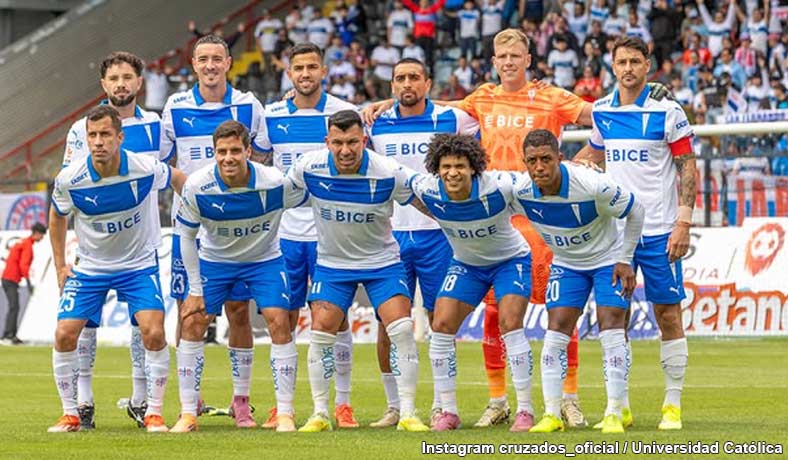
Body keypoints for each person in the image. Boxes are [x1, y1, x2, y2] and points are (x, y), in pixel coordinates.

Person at [575, 36, 695, 431]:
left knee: (667, 315)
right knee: (614, 316)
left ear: (648, 65)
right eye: (621, 61)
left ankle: (672, 405)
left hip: (661, 231)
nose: (627, 68)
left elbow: (687, 166)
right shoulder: (602, 110)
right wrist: (569, 167)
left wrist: (684, 221)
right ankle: (617, 406)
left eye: (634, 61)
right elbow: (593, 153)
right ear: (612, 66)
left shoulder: (667, 111)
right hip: (615, 235)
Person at [286, 110, 430, 433]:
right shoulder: (309, 168)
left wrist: (459, 220)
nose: (346, 150)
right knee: (321, 332)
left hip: (382, 262)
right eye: (338, 143)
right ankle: (321, 413)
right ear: (327, 142)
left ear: (364, 140)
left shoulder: (387, 171)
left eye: (353, 142)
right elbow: (278, 197)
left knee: (403, 329)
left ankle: (407, 412)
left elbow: (423, 202)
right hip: (333, 264)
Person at [47, 105, 186, 433]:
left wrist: (194, 216)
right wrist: (59, 265)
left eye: (105, 134)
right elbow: (57, 215)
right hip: (91, 268)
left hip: (137, 265)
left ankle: (153, 412)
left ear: (119, 137)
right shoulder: (70, 179)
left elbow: (179, 179)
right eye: (92, 135)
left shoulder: (143, 167)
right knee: (65, 334)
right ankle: (70, 414)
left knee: (153, 331)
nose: (98, 142)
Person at [170, 121, 307, 433]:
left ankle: (283, 412)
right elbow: (186, 237)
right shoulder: (197, 186)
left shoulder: (274, 182)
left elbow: (311, 199)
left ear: (249, 151)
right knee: (192, 321)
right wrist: (194, 289)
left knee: (278, 320)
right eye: (221, 151)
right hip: (216, 262)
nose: (228, 157)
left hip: (264, 260)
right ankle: (188, 413)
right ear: (213, 153)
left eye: (235, 150)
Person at [160, 35, 268, 425]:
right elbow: (162, 164)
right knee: (189, 311)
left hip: (237, 230)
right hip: (191, 227)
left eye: (216, 59)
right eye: (203, 59)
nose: (209, 65)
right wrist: (191, 191)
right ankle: (192, 400)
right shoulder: (175, 107)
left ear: (229, 63)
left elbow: (263, 156)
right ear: (193, 63)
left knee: (239, 311)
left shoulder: (249, 105)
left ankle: (241, 401)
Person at [366, 58, 479, 428]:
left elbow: (487, 116)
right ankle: (395, 405)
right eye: (400, 78)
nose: (407, 84)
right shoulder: (374, 121)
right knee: (388, 323)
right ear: (391, 85)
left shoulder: (452, 118)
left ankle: (440, 405)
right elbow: (335, 127)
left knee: (439, 321)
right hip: (390, 236)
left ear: (428, 83)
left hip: (439, 236)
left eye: (414, 77)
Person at [511, 129, 644, 434]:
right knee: (556, 328)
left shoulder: (592, 184)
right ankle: (551, 414)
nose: (539, 167)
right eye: (532, 161)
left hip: (608, 259)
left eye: (546, 159)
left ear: (560, 158)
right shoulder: (520, 190)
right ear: (525, 162)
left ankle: (614, 412)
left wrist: (625, 258)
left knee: (611, 324)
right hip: (567, 263)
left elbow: (636, 210)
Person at [61, 51, 167, 431]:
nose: (121, 83)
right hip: (94, 248)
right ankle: (84, 400)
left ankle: (142, 400)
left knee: (144, 326)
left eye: (128, 77)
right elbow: (72, 185)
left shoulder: (157, 125)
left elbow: (168, 171)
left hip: (143, 246)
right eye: (114, 78)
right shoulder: (81, 129)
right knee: (86, 325)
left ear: (140, 83)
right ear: (103, 85)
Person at [258, 42, 359, 430]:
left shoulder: (340, 113)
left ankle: (343, 405)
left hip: (329, 232)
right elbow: (260, 161)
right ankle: (283, 406)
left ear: (324, 70)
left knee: (336, 317)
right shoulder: (271, 115)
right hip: (283, 234)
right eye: (298, 67)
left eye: (312, 67)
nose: (305, 74)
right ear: (289, 72)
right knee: (282, 318)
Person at [410, 134, 537, 432]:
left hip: (510, 261)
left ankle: (525, 410)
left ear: (473, 169)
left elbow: (537, 186)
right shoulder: (427, 188)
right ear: (436, 169)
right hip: (467, 264)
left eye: (459, 166)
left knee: (510, 323)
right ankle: (448, 411)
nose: (452, 172)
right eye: (445, 166)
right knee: (440, 325)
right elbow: (398, 183)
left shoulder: (501, 186)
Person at [1, 223, 47, 345]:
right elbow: (23, 265)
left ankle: (10, 334)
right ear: (36, 233)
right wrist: (28, 282)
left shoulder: (23, 242)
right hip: (10, 279)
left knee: (14, 307)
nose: (42, 238)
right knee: (14, 307)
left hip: (8, 278)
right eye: (41, 235)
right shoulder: (27, 245)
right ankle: (9, 335)